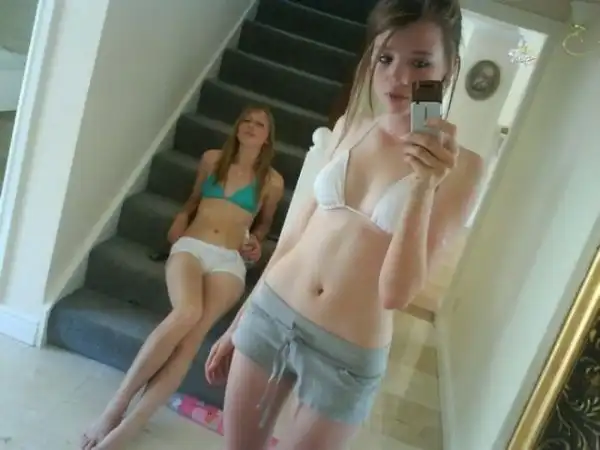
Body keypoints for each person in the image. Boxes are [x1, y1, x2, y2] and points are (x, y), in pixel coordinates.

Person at [205, 0, 485, 449]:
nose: (398, 77)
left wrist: (422, 185)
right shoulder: (352, 126)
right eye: (385, 58)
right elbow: (295, 235)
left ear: (448, 69)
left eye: (420, 63)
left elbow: (396, 294)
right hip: (272, 312)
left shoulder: (463, 169)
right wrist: (239, 321)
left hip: (346, 356)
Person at [81, 105, 285, 450]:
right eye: (246, 121)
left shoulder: (272, 182)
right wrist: (181, 217)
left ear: (268, 137)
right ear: (237, 127)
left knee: (192, 338)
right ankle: (114, 409)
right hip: (192, 246)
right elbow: (193, 199)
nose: (251, 127)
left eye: (259, 124)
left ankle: (132, 426)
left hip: (229, 260)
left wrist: (256, 244)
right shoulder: (212, 159)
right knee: (187, 312)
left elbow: (264, 226)